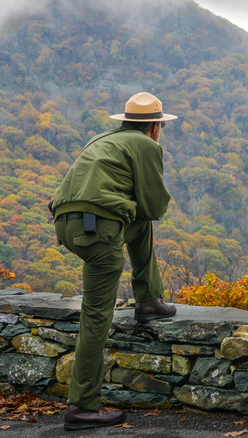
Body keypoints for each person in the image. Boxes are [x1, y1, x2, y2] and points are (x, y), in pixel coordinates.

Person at [51, 92, 178, 430]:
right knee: (95, 316)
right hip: (98, 229)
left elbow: (140, 217)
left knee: (138, 226)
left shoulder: (103, 139)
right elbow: (154, 207)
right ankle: (82, 407)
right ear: (154, 127)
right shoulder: (147, 146)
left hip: (67, 223)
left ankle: (148, 298)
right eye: (160, 126)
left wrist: (130, 208)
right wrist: (138, 204)